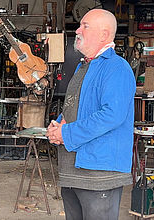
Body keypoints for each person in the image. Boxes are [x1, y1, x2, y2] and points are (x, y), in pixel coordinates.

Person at [46, 9, 136, 220]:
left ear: (104, 35)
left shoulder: (116, 68)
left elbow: (112, 115)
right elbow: (74, 107)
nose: (78, 30)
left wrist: (66, 134)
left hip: (98, 174)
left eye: (85, 26)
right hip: (73, 172)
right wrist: (57, 127)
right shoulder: (84, 66)